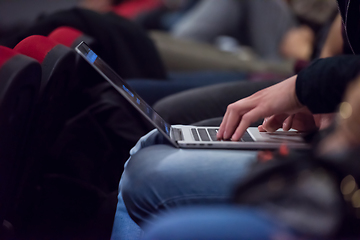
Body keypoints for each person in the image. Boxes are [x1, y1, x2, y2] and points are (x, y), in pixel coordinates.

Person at [111, 0, 360, 238]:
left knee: (145, 172)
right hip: (324, 108)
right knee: (151, 144)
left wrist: (315, 86)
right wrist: (328, 95)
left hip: (337, 156)